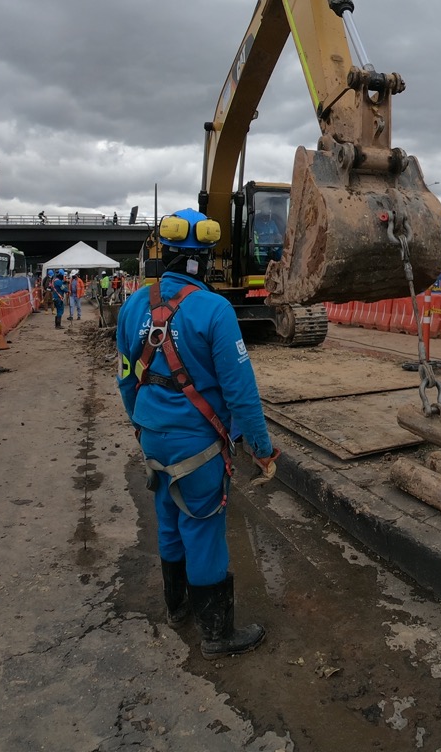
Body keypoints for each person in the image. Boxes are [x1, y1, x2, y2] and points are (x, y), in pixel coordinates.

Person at [116, 207, 279, 656]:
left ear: (161, 253)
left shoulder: (134, 305)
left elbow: (127, 377)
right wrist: (261, 448)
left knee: (168, 517)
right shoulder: (215, 309)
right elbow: (241, 391)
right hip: (199, 446)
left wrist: (139, 422)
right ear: (207, 259)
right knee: (203, 528)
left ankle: (177, 607)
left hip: (153, 437)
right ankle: (217, 634)